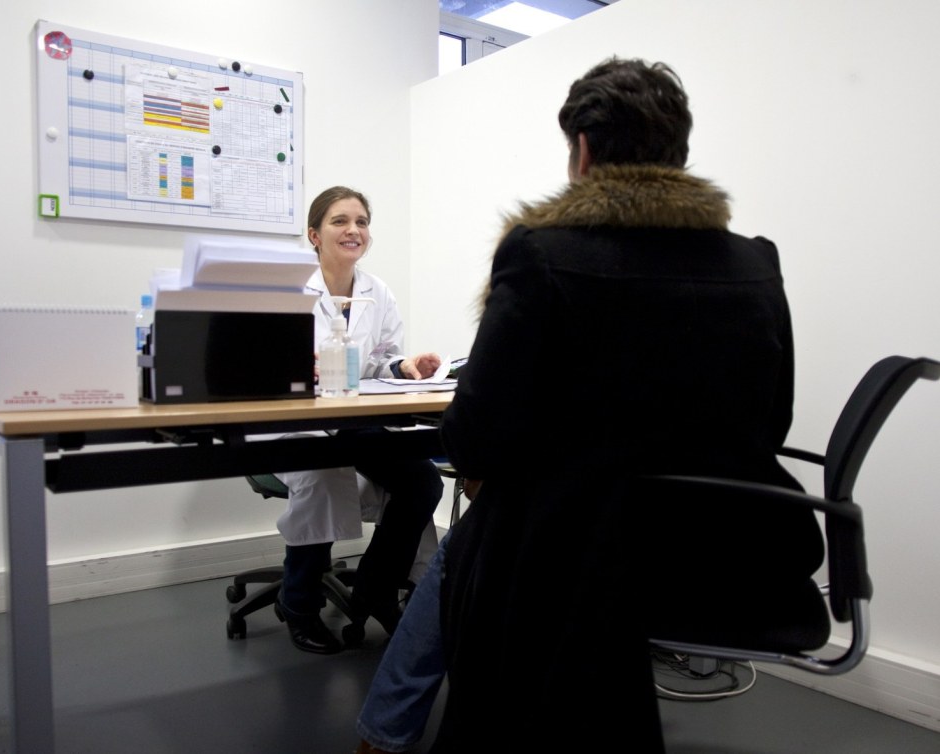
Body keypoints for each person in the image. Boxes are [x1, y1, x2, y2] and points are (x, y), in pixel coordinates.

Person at [354, 56, 825, 752]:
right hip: (730, 551)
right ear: (680, 152)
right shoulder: (755, 262)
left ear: (581, 150)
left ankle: (385, 734)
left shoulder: (541, 253)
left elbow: (476, 440)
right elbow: (769, 420)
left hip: (572, 558)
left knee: (476, 536)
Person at [273, 186, 445, 655]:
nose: (353, 230)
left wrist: (406, 367)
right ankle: (300, 604)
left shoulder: (377, 292)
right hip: (297, 421)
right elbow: (258, 359)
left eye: (362, 221)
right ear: (314, 234)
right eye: (340, 221)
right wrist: (291, 368)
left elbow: (382, 359)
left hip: (352, 419)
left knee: (422, 481)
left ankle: (376, 588)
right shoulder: (287, 289)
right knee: (324, 476)